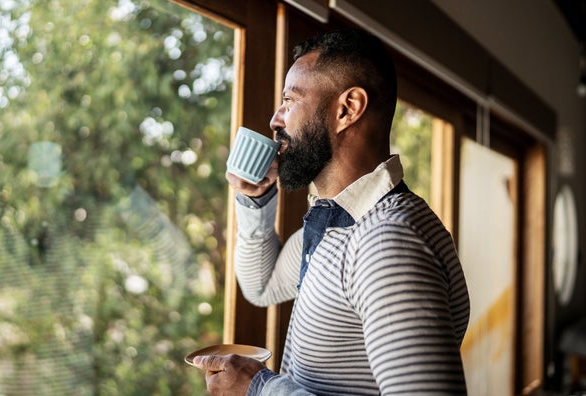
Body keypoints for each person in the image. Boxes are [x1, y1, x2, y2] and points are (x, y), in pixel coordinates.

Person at [194, 29, 471, 396]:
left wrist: (260, 388)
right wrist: (256, 198)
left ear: (347, 109)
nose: (276, 120)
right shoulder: (339, 223)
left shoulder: (387, 241)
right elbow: (262, 285)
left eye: (290, 101)